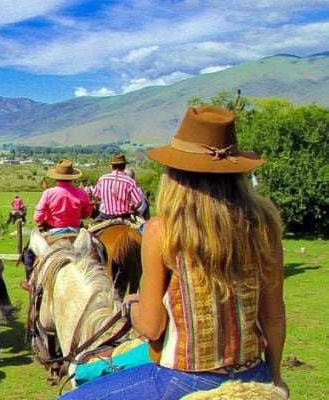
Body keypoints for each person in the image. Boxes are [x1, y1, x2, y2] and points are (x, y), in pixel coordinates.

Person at [61, 106, 288, 399]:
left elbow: (153, 327)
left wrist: (131, 306)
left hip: (185, 379)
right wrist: (275, 376)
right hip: (254, 371)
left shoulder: (162, 231)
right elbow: (274, 316)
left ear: (176, 173)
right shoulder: (264, 224)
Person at [32, 159, 92, 234]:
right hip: (76, 230)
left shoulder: (48, 193)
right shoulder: (82, 192)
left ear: (56, 177)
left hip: (52, 229)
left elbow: (37, 218)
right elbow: (86, 214)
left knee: (32, 243)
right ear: (72, 177)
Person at [92, 153, 147, 220]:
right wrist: (132, 209)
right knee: (142, 228)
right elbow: (139, 202)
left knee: (90, 227)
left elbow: (96, 195)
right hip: (124, 216)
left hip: (105, 216)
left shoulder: (102, 179)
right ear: (124, 166)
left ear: (112, 166)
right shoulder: (130, 181)